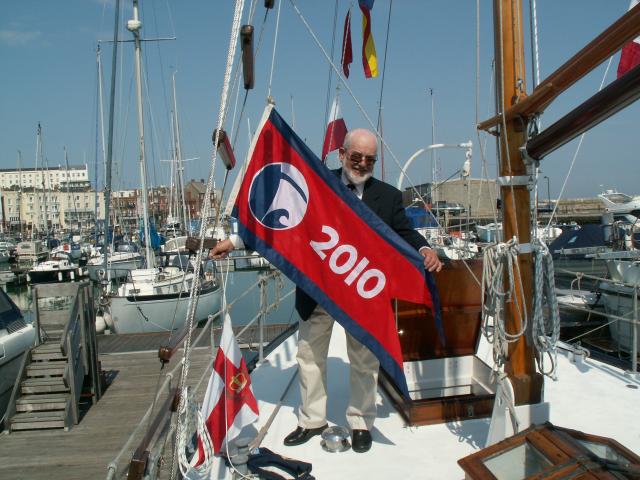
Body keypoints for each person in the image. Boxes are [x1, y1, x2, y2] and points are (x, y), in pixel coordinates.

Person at [209, 128, 442, 453]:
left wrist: (425, 249)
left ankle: (361, 423)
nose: (362, 164)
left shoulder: (388, 196)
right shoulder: (318, 184)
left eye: (369, 160)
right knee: (309, 357)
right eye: (356, 157)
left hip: (361, 293)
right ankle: (311, 420)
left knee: (363, 361)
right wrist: (234, 241)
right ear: (343, 154)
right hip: (316, 290)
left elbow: (404, 232)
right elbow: (277, 222)